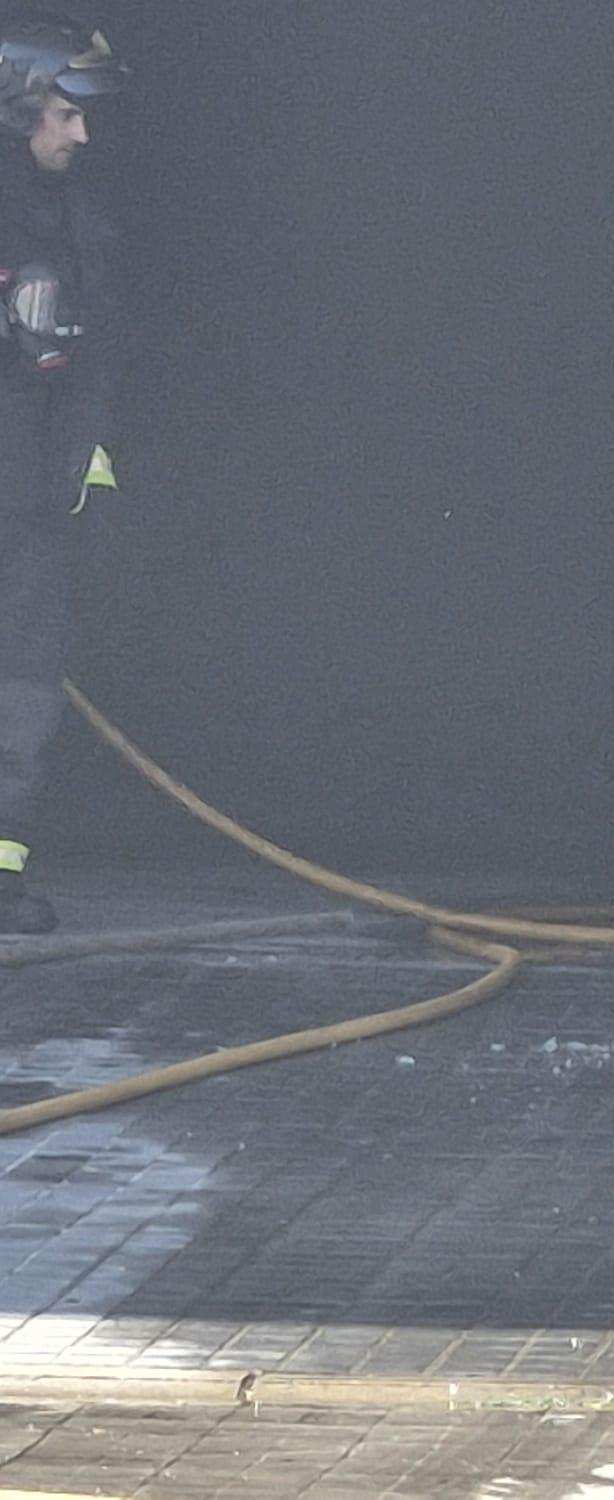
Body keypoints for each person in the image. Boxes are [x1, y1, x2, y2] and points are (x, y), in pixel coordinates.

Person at [0, 13, 127, 934]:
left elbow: (97, 368)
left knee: (25, 685)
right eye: (66, 112)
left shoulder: (83, 227)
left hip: (38, 506)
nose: (81, 134)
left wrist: (83, 471)